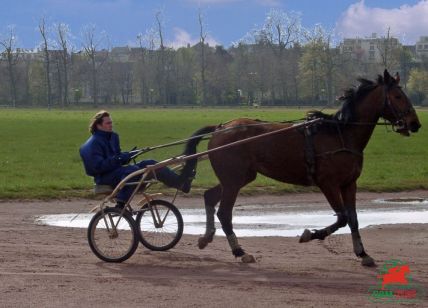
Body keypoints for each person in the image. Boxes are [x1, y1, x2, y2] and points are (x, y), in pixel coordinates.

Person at [79, 110, 193, 208]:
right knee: (133, 170)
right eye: (108, 123)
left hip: (118, 172)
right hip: (104, 178)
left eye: (111, 122)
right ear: (99, 125)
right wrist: (118, 158)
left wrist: (127, 156)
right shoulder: (93, 143)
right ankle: (121, 202)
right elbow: (97, 167)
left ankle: (181, 183)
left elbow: (117, 157)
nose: (111, 125)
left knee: (151, 164)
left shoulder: (113, 137)